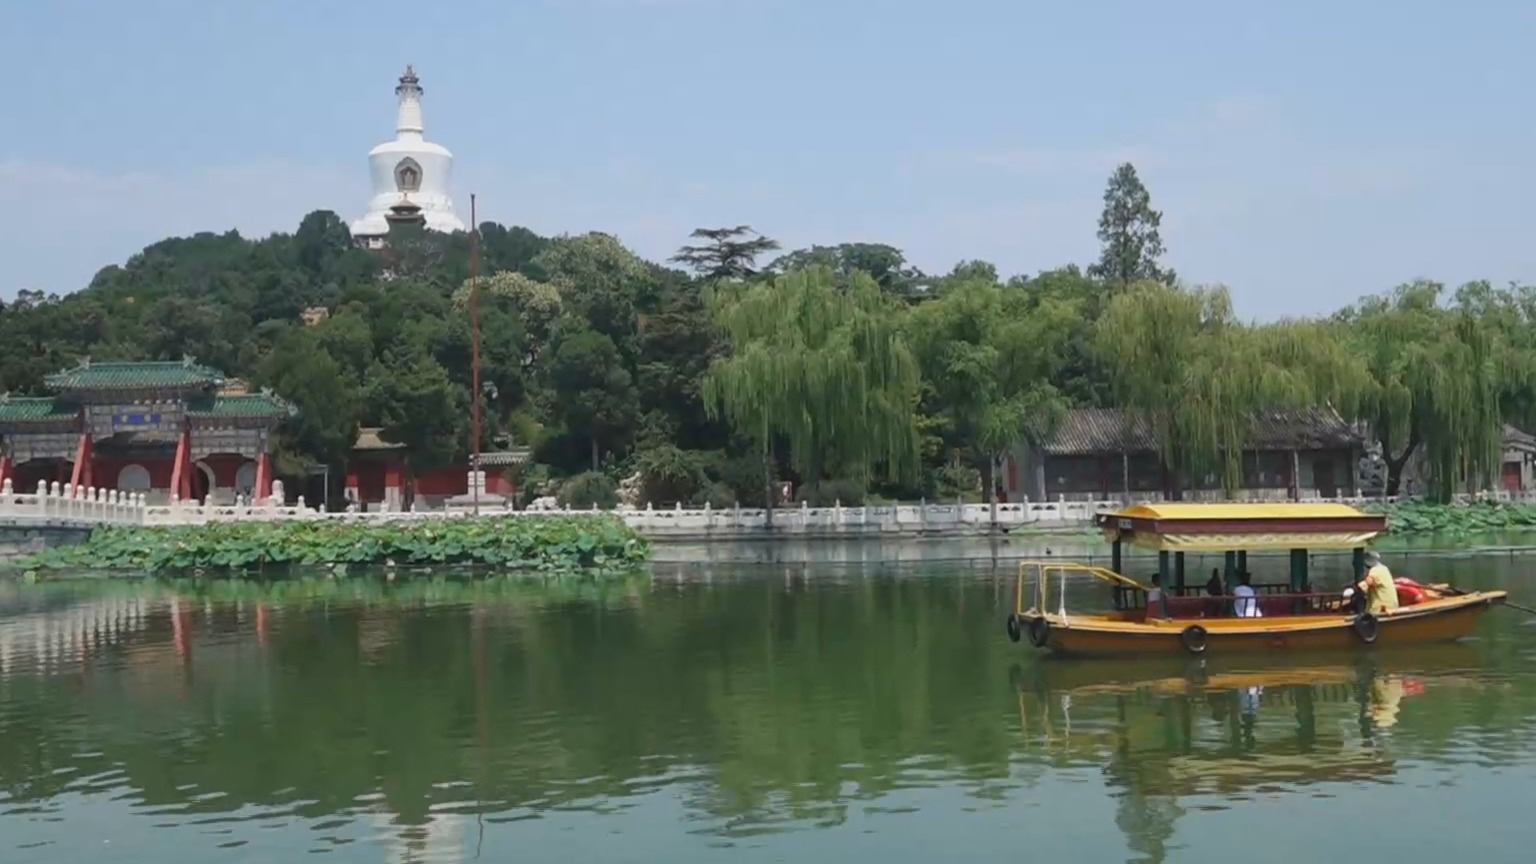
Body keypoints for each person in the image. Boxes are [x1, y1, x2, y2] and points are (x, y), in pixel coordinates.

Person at [1344, 549, 1399, 615]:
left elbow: (1365, 585)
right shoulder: (1384, 568)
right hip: (1392, 605)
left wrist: (1352, 589)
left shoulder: (1374, 571)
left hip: (1382, 608)